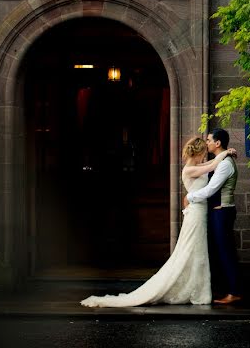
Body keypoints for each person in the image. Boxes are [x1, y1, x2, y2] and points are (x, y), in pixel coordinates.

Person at [80, 137, 235, 307]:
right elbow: (212, 166)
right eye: (204, 152)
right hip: (196, 213)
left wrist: (224, 154)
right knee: (192, 249)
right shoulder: (189, 170)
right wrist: (226, 152)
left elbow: (211, 164)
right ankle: (195, 289)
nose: (206, 155)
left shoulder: (197, 167)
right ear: (198, 153)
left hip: (199, 212)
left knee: (197, 250)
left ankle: (199, 287)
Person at [186, 128, 241, 305]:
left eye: (209, 140)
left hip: (222, 212)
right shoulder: (220, 160)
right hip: (217, 212)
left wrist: (189, 197)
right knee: (219, 252)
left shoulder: (225, 164)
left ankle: (234, 292)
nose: (207, 142)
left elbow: (211, 189)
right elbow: (206, 167)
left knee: (225, 252)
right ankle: (225, 289)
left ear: (217, 143)